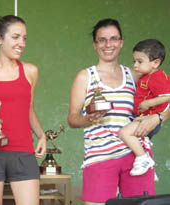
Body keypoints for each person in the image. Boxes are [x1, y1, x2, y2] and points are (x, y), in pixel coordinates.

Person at [67, 18, 169, 205]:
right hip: (99, 156)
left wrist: (158, 118)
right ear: (95, 44)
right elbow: (72, 119)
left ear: (121, 42)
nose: (108, 44)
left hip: (137, 157)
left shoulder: (136, 75)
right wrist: (88, 119)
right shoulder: (85, 76)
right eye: (102, 39)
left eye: (113, 39)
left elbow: (167, 96)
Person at [0, 15, 46, 205]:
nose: (21, 43)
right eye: (15, 37)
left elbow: (28, 109)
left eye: (24, 38)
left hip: (23, 152)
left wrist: (41, 135)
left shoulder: (30, 71)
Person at [119, 39, 170, 176]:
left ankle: (144, 159)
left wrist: (149, 103)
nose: (135, 65)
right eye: (134, 61)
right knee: (139, 141)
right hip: (142, 116)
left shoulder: (157, 77)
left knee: (124, 133)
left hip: (150, 118)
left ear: (156, 63)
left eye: (140, 61)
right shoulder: (146, 76)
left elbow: (168, 96)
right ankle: (150, 170)